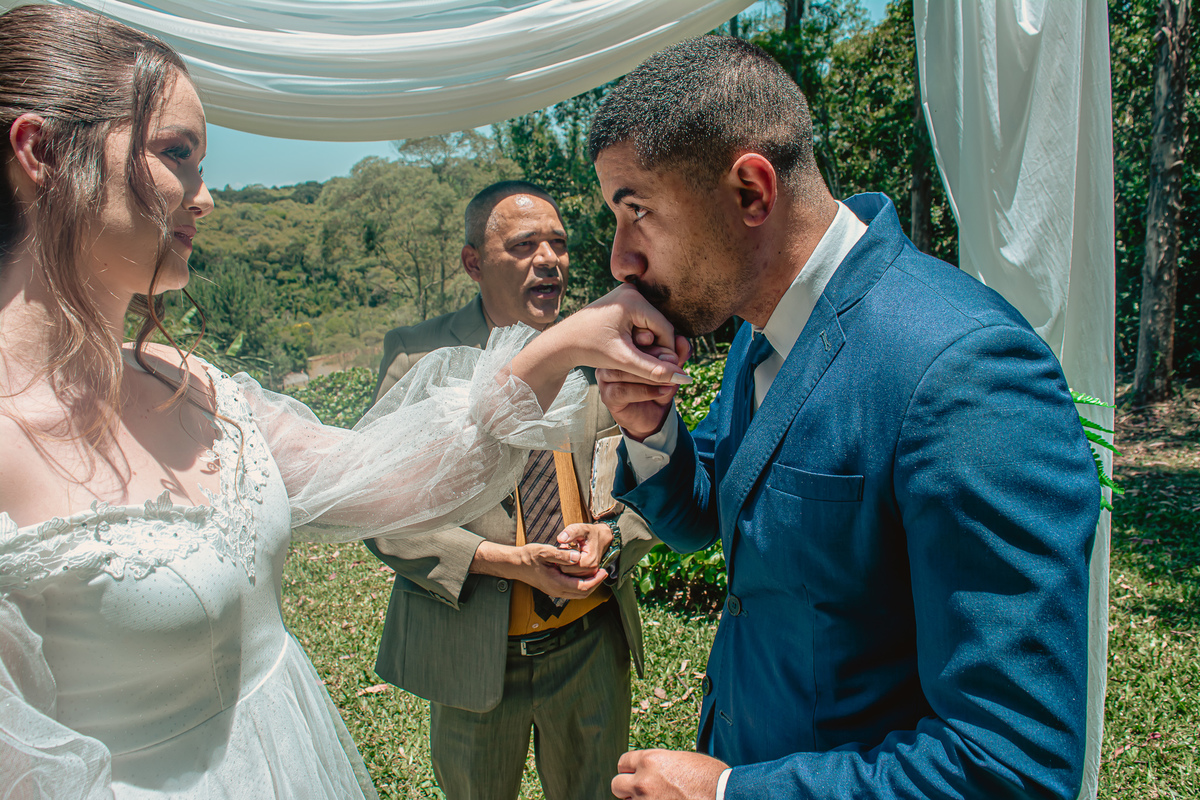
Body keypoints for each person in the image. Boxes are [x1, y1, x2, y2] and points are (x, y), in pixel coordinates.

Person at [0, 6, 687, 798]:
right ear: (41, 151)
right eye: (176, 153)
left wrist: (561, 346)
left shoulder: (197, 389)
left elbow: (398, 481)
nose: (206, 197)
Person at [590, 36, 1101, 800]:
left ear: (751, 193)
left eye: (638, 213)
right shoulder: (760, 332)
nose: (620, 259)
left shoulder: (967, 373)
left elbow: (1013, 770)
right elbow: (714, 519)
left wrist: (731, 795)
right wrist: (650, 432)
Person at [365, 180, 658, 800]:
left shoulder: (599, 348)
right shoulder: (418, 358)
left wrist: (611, 533)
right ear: (474, 261)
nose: (548, 259)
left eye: (558, 242)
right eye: (524, 244)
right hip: (473, 651)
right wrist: (510, 563)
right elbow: (382, 512)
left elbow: (646, 473)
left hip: (589, 648)